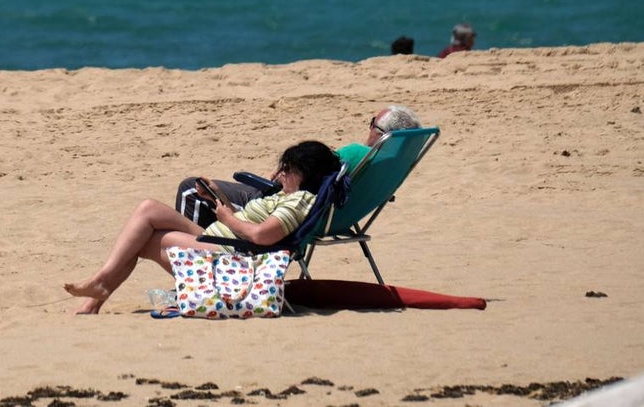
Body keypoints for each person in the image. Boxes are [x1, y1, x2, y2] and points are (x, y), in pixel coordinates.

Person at [64, 141, 341, 315]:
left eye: (287, 169)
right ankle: (98, 291)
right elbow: (252, 224)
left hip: (235, 257)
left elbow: (261, 236)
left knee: (145, 239)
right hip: (226, 241)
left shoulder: (299, 200)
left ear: (305, 174)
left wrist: (227, 219)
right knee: (148, 208)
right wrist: (219, 198)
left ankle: (98, 295)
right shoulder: (286, 196)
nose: (279, 175)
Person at [175, 105, 422, 227]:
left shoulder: (357, 153)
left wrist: (280, 177)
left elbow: (305, 176)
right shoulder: (392, 168)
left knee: (191, 189)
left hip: (288, 209)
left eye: (372, 123)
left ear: (380, 133)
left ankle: (195, 269)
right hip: (340, 220)